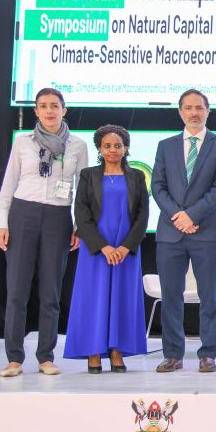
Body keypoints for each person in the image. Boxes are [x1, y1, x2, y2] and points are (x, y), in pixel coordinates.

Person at [0, 87, 89, 377]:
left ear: (64, 110)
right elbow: (9, 183)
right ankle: (14, 358)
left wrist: (80, 226)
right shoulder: (23, 142)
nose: (49, 111)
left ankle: (46, 357)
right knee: (17, 290)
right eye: (43, 106)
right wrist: (2, 222)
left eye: (54, 105)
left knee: (51, 291)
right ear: (36, 111)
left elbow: (83, 190)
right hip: (23, 214)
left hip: (58, 217)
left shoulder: (78, 145)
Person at [150, 89, 216, 373]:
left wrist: (193, 215)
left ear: (208, 111)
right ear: (180, 112)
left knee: (209, 295)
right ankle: (173, 354)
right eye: (188, 108)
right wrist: (179, 216)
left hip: (206, 231)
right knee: (171, 296)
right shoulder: (165, 145)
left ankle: (208, 353)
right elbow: (157, 186)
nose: (194, 113)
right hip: (170, 232)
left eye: (199, 107)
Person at [64, 125, 149, 372]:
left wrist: (124, 247)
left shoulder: (137, 177)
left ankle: (117, 350)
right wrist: (103, 247)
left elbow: (143, 215)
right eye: (107, 146)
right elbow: (81, 213)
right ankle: (94, 351)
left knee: (123, 298)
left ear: (126, 148)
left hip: (126, 249)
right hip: (95, 249)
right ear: (100, 149)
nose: (113, 150)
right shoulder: (88, 175)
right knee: (93, 298)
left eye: (118, 145)